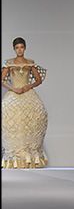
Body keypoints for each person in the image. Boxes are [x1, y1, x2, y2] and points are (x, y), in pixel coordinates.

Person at [1, 37, 48, 168]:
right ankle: (15, 157)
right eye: (17, 47)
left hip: (28, 94)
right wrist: (13, 88)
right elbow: (2, 79)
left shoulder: (30, 63)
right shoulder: (9, 63)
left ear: (25, 48)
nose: (19, 50)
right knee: (12, 120)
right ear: (14, 49)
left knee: (34, 117)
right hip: (13, 94)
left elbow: (38, 79)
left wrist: (28, 86)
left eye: (21, 47)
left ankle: (30, 156)